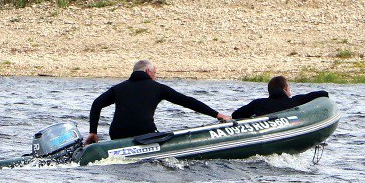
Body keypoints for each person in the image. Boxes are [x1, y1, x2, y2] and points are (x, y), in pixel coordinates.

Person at [85, 59, 231, 144]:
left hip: (117, 135)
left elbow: (96, 104)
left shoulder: (118, 88)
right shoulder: (158, 88)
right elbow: (187, 101)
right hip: (144, 135)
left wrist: (93, 132)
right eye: (155, 73)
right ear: (148, 72)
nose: (156, 77)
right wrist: (217, 115)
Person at [231, 75, 329, 119]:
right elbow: (323, 93)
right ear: (285, 89)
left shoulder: (258, 104)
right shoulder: (296, 101)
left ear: (270, 91)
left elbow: (235, 115)